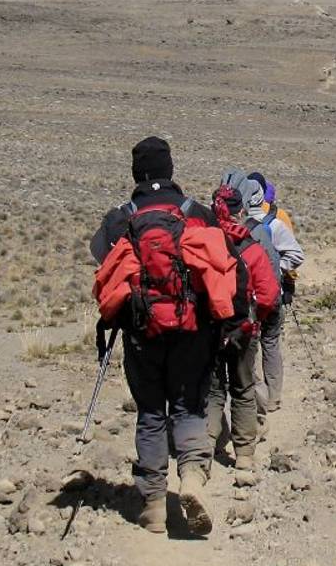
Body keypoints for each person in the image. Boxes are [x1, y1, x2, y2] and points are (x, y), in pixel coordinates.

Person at [89, 137, 243, 535]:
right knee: (188, 407)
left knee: (152, 413)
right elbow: (232, 271)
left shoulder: (119, 219)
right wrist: (227, 324)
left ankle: (154, 505)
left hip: (142, 333)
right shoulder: (198, 215)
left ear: (136, 173)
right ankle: (191, 478)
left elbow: (104, 264)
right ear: (171, 170)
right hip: (193, 332)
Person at [205, 183, 281, 469]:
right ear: (240, 211)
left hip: (211, 329)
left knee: (212, 390)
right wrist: (255, 318)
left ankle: (206, 448)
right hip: (244, 330)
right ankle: (245, 455)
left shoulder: (202, 244)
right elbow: (269, 294)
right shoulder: (251, 248)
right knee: (243, 389)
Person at [239, 176, 304, 426]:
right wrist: (279, 272)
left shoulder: (244, 225)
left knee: (254, 344)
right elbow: (296, 254)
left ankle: (260, 398)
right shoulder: (275, 222)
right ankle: (272, 396)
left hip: (253, 298)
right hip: (273, 293)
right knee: (271, 343)